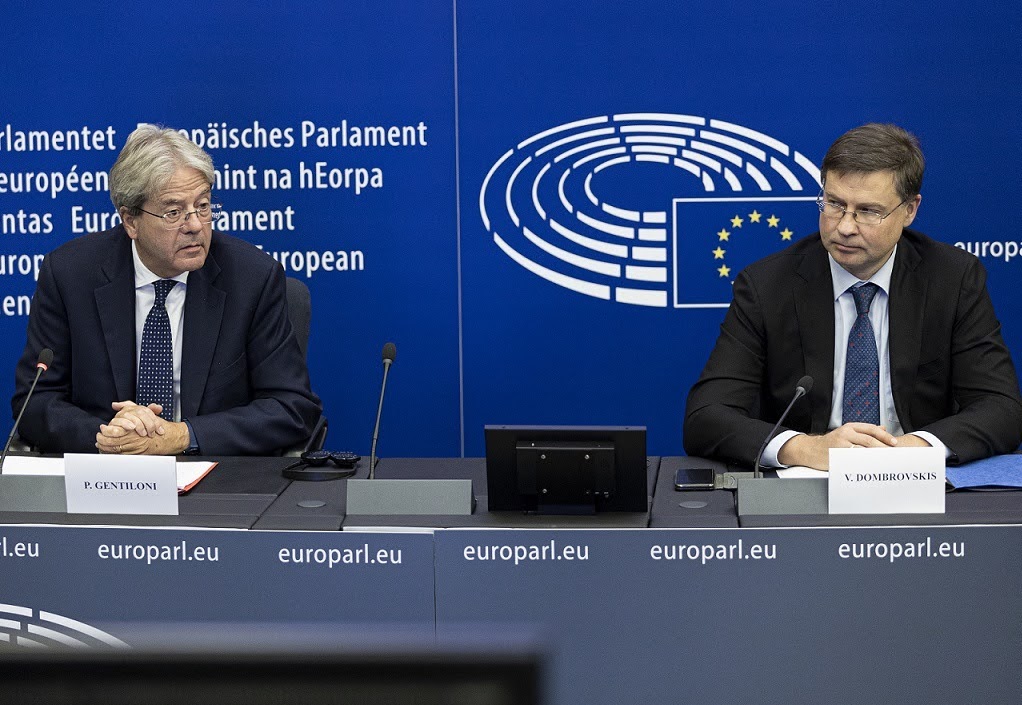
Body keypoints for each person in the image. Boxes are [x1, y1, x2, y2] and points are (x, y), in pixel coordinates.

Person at [684, 123, 1022, 470]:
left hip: (917, 481)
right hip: (808, 482)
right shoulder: (767, 285)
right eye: (833, 204)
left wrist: (914, 447)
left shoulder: (953, 279)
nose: (845, 226)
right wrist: (803, 448)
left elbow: (1001, 408)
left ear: (910, 209)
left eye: (868, 211)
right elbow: (706, 416)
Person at [11, 124, 322, 456]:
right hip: (102, 477)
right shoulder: (70, 275)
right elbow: (36, 400)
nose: (195, 225)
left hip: (215, 484)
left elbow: (291, 407)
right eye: (174, 212)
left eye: (203, 206)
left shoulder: (252, 278)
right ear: (130, 220)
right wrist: (107, 436)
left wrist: (183, 435)